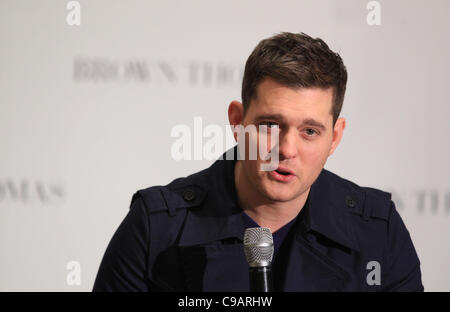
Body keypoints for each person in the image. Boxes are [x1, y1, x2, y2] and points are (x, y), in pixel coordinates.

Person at [93, 32, 424, 291]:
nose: (286, 149)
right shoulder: (156, 227)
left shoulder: (378, 233)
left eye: (310, 131)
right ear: (237, 121)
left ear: (334, 137)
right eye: (270, 125)